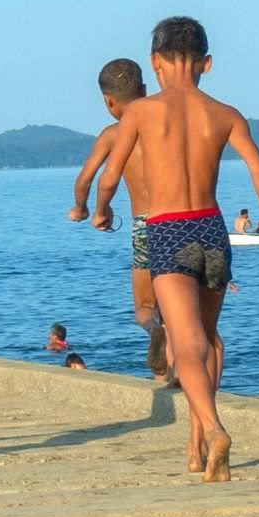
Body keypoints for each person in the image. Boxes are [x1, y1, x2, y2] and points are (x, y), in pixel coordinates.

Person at [92, 17, 259, 482]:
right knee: (210, 338)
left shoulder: (141, 112)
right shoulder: (224, 113)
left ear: (155, 62)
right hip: (212, 230)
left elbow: (110, 175)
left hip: (168, 230)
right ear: (207, 63)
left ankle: (215, 430)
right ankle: (196, 441)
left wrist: (100, 210)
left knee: (187, 343)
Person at [71, 58, 171, 378]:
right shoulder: (166, 124)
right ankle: (177, 378)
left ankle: (155, 331)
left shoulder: (113, 133)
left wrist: (87, 210)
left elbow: (87, 178)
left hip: (146, 225)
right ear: (144, 90)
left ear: (108, 100)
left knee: (146, 307)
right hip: (182, 217)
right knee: (182, 306)